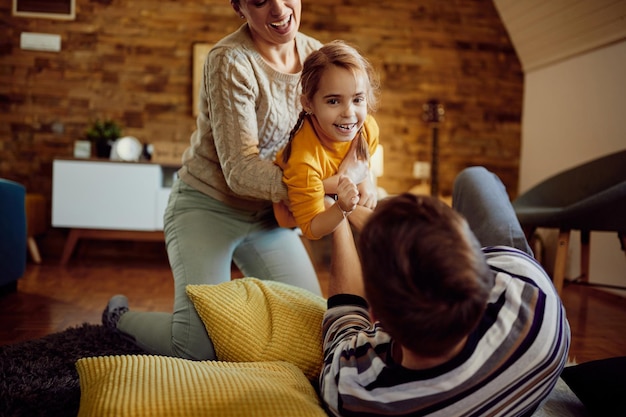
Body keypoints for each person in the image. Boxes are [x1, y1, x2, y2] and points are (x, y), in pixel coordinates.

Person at [102, 0, 327, 361]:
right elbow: (239, 170)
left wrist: (356, 177)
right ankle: (119, 319)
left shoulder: (319, 57)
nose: (278, 9)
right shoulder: (229, 60)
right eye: (259, 1)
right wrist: (322, 188)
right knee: (195, 347)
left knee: (316, 331)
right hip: (206, 209)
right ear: (239, 8)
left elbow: (339, 137)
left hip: (270, 219)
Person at [320, 166, 571, 416]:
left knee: (470, 180)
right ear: (482, 279)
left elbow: (346, 315)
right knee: (475, 178)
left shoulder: (353, 390)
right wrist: (348, 208)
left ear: (375, 318)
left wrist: (338, 213)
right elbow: (435, 250)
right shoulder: (532, 291)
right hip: (529, 318)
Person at [273, 40, 380, 239]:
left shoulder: (368, 129)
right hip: (298, 217)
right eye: (333, 101)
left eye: (357, 99)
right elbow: (312, 227)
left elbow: (363, 163)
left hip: (335, 192)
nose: (349, 113)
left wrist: (365, 180)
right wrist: (341, 207)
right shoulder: (303, 161)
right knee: (330, 205)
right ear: (308, 103)